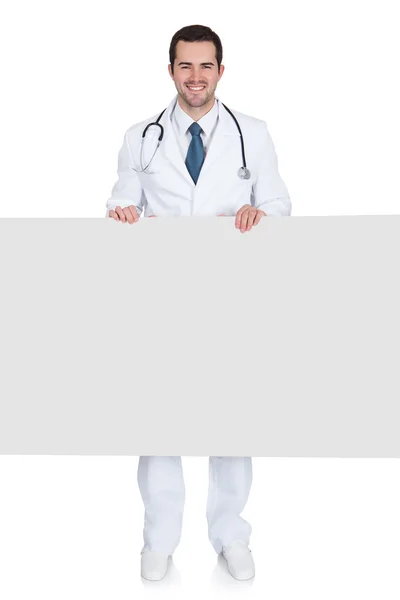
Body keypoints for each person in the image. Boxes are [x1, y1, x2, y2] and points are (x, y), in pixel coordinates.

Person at [106, 24, 291, 582]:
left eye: (205, 66)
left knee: (231, 420)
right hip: (161, 300)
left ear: (220, 70)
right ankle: (159, 541)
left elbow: (279, 200)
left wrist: (263, 217)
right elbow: (122, 198)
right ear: (171, 71)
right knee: (160, 420)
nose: (195, 77)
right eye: (185, 66)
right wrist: (123, 214)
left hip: (231, 299)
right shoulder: (141, 137)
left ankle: (231, 535)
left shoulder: (252, 134)